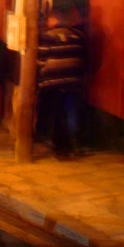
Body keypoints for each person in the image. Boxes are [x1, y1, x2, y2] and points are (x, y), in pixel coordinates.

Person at [36, 8, 87, 158]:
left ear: (53, 19)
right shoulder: (78, 36)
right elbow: (82, 56)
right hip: (74, 80)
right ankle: (76, 143)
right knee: (72, 112)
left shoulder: (47, 36)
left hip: (53, 82)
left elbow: (41, 59)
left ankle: (62, 149)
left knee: (58, 115)